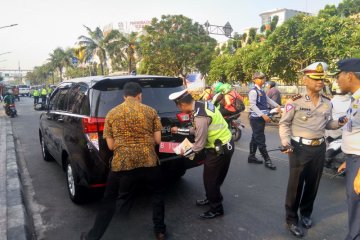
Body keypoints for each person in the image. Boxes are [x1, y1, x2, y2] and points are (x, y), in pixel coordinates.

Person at [81, 82, 166, 240]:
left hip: (122, 164)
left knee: (109, 200)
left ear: (124, 96)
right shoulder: (151, 111)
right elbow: (158, 140)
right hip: (148, 162)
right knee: (157, 194)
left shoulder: (112, 113)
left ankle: (92, 237)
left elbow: (111, 146)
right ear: (139, 95)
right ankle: (160, 231)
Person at [279, 62, 347, 238]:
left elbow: (328, 124)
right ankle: (291, 219)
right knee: (296, 186)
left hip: (319, 147)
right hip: (298, 148)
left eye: (322, 79)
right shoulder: (294, 102)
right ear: (305, 79)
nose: (320, 82)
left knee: (313, 184)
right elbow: (284, 124)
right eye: (316, 79)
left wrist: (339, 122)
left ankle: (306, 213)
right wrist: (286, 142)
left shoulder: (327, 102)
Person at [169, 89, 234, 219]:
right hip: (225, 143)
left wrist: (183, 152)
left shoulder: (200, 116)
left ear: (181, 105)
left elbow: (198, 146)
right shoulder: (201, 105)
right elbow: (196, 130)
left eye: (178, 106)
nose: (179, 109)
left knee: (210, 181)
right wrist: (179, 130)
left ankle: (216, 208)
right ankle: (211, 198)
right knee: (214, 179)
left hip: (218, 150)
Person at [333, 58, 360, 240]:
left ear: (349, 76)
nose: (337, 81)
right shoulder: (355, 98)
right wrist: (348, 159)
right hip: (354, 159)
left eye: (339, 76)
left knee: (357, 206)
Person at [248, 72, 280, 170]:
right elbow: (252, 105)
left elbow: (268, 100)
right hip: (256, 118)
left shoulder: (261, 90)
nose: (263, 80)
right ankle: (267, 160)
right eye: (260, 78)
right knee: (260, 139)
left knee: (255, 137)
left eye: (263, 78)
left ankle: (251, 157)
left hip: (260, 118)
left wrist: (277, 106)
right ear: (255, 80)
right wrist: (263, 115)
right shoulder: (253, 91)